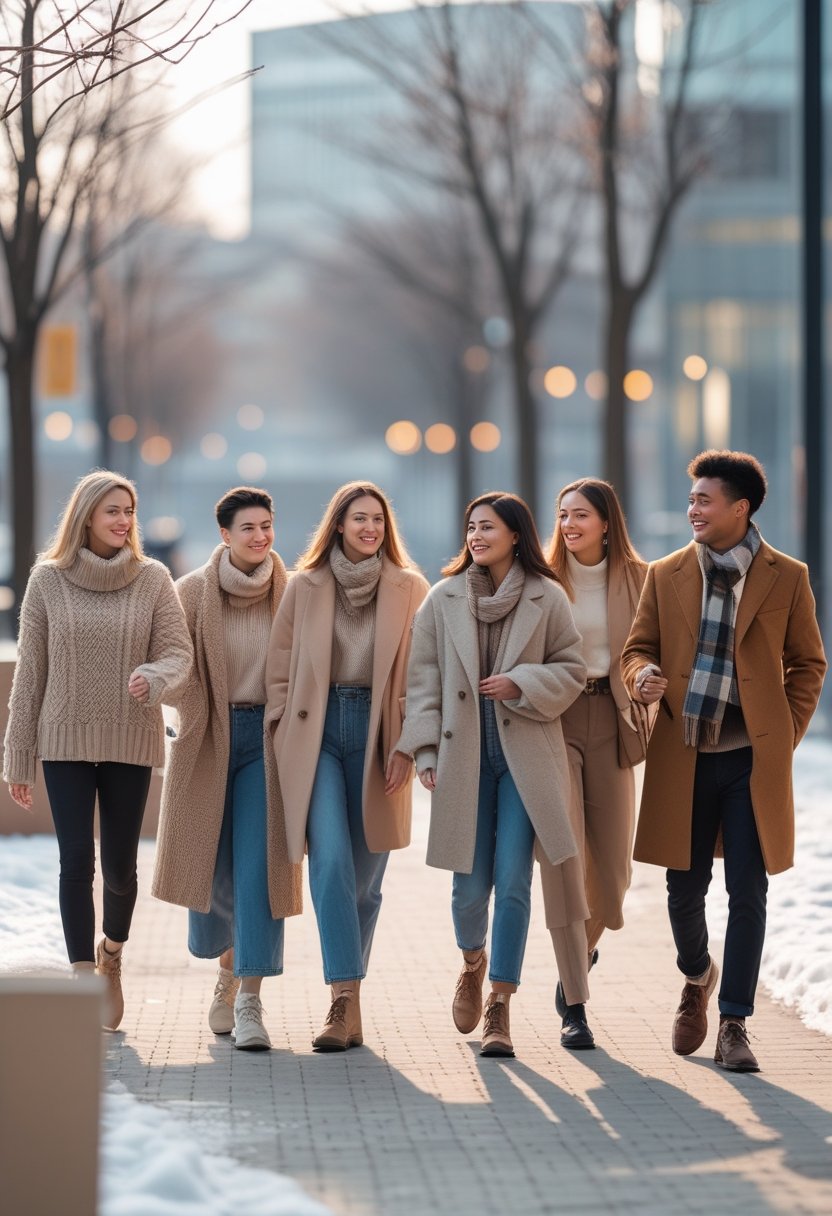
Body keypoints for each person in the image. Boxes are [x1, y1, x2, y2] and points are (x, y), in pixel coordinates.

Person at [622, 450, 826, 1072]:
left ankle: (734, 1023)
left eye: (704, 501)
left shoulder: (786, 576)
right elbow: (637, 648)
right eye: (690, 501)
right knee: (682, 891)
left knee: (749, 892)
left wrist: (781, 735)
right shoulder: (666, 573)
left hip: (751, 761)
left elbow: (808, 664)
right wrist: (643, 677)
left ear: (740, 507)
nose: (693, 511)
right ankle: (697, 976)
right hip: (685, 754)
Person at [397, 492, 586, 1058]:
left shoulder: (546, 596)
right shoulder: (442, 598)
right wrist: (424, 753)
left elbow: (571, 668)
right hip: (464, 757)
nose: (477, 536)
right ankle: (472, 962)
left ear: (515, 535)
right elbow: (422, 684)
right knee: (468, 888)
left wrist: (522, 682)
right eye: (471, 526)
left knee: (515, 882)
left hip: (526, 757)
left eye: (488, 527)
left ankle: (500, 1005)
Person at [3, 470, 193, 1029]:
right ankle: (83, 975)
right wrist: (17, 758)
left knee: (118, 865)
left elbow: (178, 655)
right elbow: (30, 673)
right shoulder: (47, 580)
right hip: (62, 741)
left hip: (128, 739)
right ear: (86, 514)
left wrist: (154, 677)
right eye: (113, 510)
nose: (123, 521)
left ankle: (111, 953)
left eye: (129, 511)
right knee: (73, 862)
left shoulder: (153, 579)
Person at [265, 481, 428, 1051]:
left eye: (378, 521)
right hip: (317, 736)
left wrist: (408, 744)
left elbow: (422, 674)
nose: (370, 529)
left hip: (381, 736)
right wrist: (283, 723)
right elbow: (280, 663)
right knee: (329, 862)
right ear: (337, 524)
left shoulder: (410, 588)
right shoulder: (304, 586)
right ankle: (340, 999)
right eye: (359, 519)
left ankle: (349, 1001)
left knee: (364, 882)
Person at [152, 487, 301, 1051]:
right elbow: (174, 661)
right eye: (249, 528)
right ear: (224, 535)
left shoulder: (293, 593)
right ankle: (226, 973)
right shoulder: (189, 593)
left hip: (268, 742)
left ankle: (250, 1000)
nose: (261, 537)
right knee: (212, 868)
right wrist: (162, 688)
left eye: (267, 526)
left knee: (259, 868)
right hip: (209, 739)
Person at [542, 478, 648, 1051]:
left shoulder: (640, 578)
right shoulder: (542, 578)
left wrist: (647, 677)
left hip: (613, 720)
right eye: (562, 515)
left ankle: (580, 951)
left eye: (580, 514)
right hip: (553, 721)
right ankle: (574, 1001)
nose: (569, 524)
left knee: (611, 875)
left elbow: (649, 647)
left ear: (607, 522)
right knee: (565, 861)